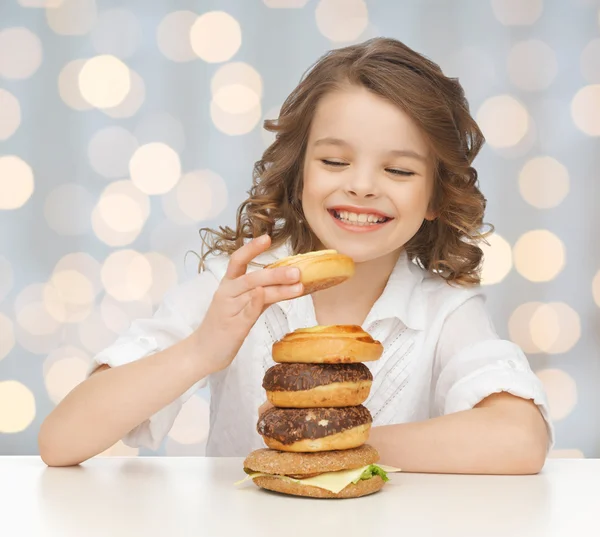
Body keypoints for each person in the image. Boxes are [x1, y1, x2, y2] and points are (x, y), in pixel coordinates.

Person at [38, 37, 552, 472]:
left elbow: (522, 439)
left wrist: (335, 442)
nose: (362, 186)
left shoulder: (443, 312)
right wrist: (202, 349)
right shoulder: (237, 287)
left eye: (398, 170)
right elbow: (61, 441)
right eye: (334, 160)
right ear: (298, 170)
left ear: (437, 197)